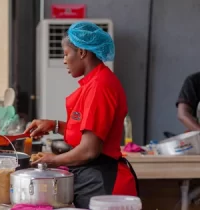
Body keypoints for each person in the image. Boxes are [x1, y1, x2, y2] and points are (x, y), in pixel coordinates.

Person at [25, 21, 138, 208]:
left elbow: (89, 150)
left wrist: (50, 161)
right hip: (95, 178)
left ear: (83, 53)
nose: (64, 60)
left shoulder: (100, 86)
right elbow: (87, 132)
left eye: (66, 53)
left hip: (104, 184)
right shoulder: (94, 83)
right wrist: (54, 125)